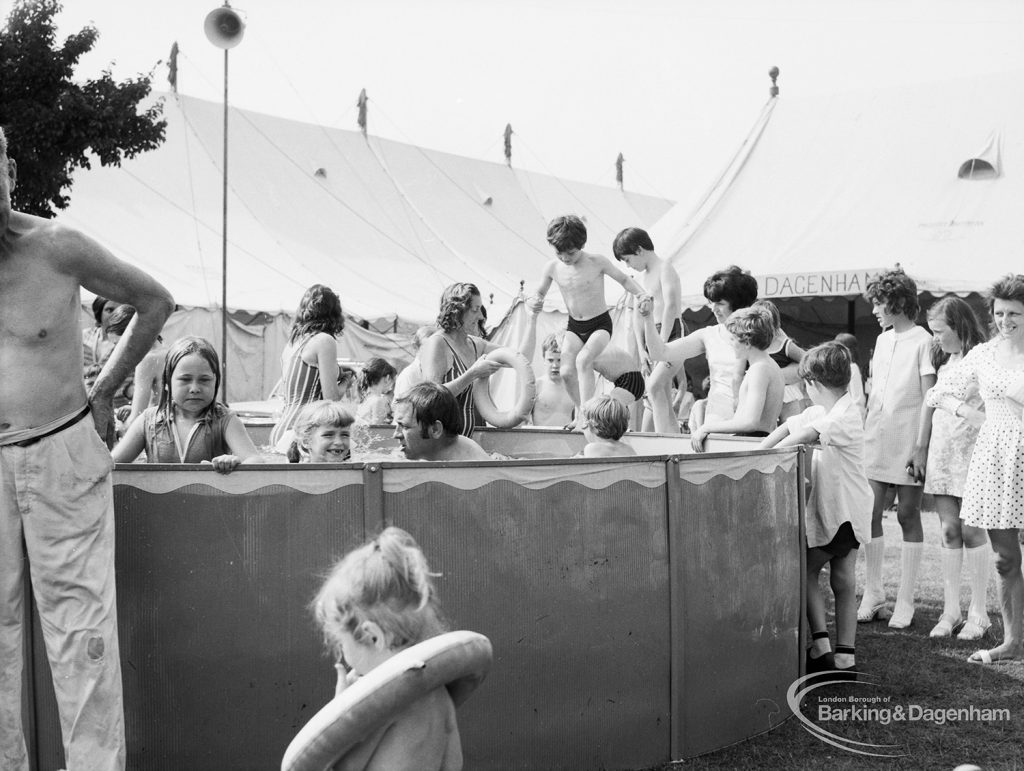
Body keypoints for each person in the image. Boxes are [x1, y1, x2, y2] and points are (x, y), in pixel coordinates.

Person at [0, 127, 174, 770]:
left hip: (61, 451)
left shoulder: (58, 246)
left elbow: (154, 300)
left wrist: (104, 391)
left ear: (9, 169)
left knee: (84, 641)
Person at [759, 342, 872, 678]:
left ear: (814, 384)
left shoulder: (844, 415)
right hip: (848, 510)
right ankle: (844, 657)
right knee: (843, 580)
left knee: (806, 571)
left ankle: (822, 643)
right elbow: (790, 426)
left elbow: (804, 435)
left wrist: (762, 459)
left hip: (840, 513)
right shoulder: (825, 411)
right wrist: (755, 450)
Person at [928, 275, 1024, 664]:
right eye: (1000, 313)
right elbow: (938, 392)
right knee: (1004, 558)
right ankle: (1012, 643)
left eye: (1015, 313)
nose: (1006, 320)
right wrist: (970, 413)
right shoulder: (983, 354)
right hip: (996, 457)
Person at [312, 526, 462, 770]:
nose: (343, 655)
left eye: (342, 643)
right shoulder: (438, 696)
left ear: (372, 637)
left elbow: (335, 766)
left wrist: (339, 711)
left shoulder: (381, 703)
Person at [858, 268, 936, 629]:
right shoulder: (883, 339)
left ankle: (905, 599)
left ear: (898, 303)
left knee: (907, 515)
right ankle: (873, 593)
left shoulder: (924, 340)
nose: (875, 310)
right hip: (877, 436)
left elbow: (928, 397)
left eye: (879, 303)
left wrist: (920, 447)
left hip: (909, 438)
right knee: (869, 514)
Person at [910, 297, 990, 640]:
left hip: (972, 452)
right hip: (943, 453)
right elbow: (933, 400)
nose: (934, 338)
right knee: (948, 530)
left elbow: (942, 397)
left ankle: (979, 612)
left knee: (973, 531)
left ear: (958, 326)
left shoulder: (982, 357)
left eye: (939, 331)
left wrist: (951, 403)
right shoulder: (945, 361)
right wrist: (923, 449)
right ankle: (951, 609)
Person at [529, 215, 653, 418]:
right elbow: (539, 292)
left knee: (584, 359)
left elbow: (623, 279)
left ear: (582, 245)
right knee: (566, 372)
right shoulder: (553, 268)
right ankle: (580, 409)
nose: (565, 258)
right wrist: (535, 300)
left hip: (599, 324)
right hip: (575, 326)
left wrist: (641, 294)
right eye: (560, 253)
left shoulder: (596, 262)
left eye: (570, 252)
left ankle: (587, 414)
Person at [112, 336, 263, 473]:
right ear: (167, 382)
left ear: (215, 381)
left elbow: (256, 461)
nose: (195, 388)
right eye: (185, 379)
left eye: (204, 380)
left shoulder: (225, 420)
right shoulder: (148, 421)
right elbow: (111, 464)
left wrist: (235, 461)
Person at [637, 266, 758, 435]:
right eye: (712, 303)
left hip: (751, 422)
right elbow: (660, 353)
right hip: (715, 425)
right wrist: (648, 318)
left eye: (720, 304)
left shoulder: (761, 331)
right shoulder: (708, 335)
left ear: (738, 304)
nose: (713, 309)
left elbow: (794, 366)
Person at [647, 305, 783, 452]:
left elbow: (750, 421)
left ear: (747, 342)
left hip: (751, 445)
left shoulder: (759, 369)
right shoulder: (769, 365)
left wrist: (707, 427)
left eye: (733, 339)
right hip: (754, 443)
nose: (731, 344)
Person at [613, 227, 682, 433]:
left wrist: (658, 344)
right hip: (651, 334)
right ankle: (674, 443)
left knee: (654, 387)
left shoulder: (665, 268)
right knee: (662, 397)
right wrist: (642, 351)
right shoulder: (642, 277)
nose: (628, 265)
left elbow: (670, 307)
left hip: (671, 333)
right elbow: (636, 316)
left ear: (639, 250)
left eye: (627, 259)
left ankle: (664, 441)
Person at [420, 283, 504, 438]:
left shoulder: (475, 344)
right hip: (439, 446)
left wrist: (532, 316)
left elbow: (515, 355)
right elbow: (430, 399)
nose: (481, 316)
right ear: (457, 312)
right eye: (475, 310)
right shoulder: (437, 343)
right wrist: (472, 374)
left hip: (463, 444)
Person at [270, 284, 345, 451]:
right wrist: (346, 383)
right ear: (334, 314)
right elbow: (330, 400)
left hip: (281, 429)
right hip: (303, 431)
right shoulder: (324, 340)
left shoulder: (292, 344)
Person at [392, 382, 490, 461]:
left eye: (404, 426)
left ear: (435, 429)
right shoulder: (440, 451)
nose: (396, 434)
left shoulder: (473, 472)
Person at [752, 299, 807, 421]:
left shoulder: (783, 344)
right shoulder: (751, 345)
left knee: (791, 426)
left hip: (786, 393)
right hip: (763, 393)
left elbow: (807, 359)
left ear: (774, 324)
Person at [530, 333, 577, 426]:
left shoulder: (573, 387)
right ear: (544, 360)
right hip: (540, 438)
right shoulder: (536, 386)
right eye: (550, 360)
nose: (555, 365)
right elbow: (523, 421)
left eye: (559, 360)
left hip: (566, 439)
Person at [286, 400, 355, 463]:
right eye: (328, 435)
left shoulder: (357, 473)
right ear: (306, 441)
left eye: (345, 435)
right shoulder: (299, 475)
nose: (339, 442)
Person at [394, 324, 438, 400]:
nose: (433, 351)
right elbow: (403, 407)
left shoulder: (435, 371)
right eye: (427, 346)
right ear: (416, 347)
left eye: (437, 346)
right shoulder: (409, 375)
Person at [82, 295, 120, 370]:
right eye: (110, 310)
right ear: (100, 313)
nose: (116, 315)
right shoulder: (84, 336)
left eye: (120, 310)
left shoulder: (128, 341)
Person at [356, 357, 398, 425]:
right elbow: (378, 430)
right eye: (393, 381)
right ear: (387, 378)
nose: (392, 386)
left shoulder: (364, 399)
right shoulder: (378, 401)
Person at [834, 332, 866, 412]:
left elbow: (857, 398)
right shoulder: (849, 367)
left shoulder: (849, 368)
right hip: (846, 414)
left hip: (845, 413)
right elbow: (857, 398)